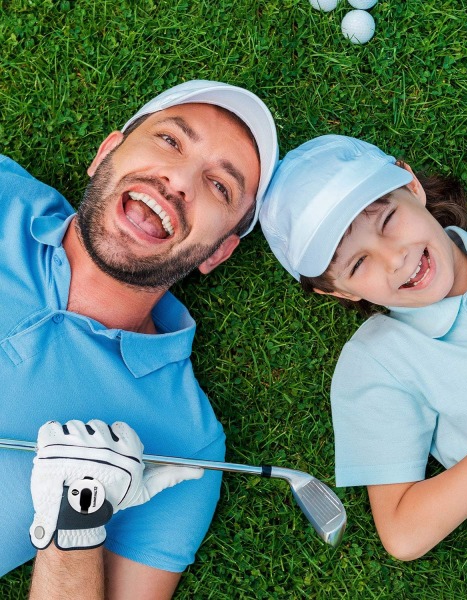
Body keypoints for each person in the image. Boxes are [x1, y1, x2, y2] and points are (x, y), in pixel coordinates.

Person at [259, 134, 467, 599]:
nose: (395, 259)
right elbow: (403, 533)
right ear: (337, 291)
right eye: (359, 264)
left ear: (411, 184)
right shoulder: (375, 361)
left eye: (388, 220)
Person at [0, 79, 279, 599]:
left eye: (221, 187)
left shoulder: (184, 445)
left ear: (217, 253)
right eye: (171, 140)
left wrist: (74, 531)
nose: (178, 181)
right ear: (106, 152)